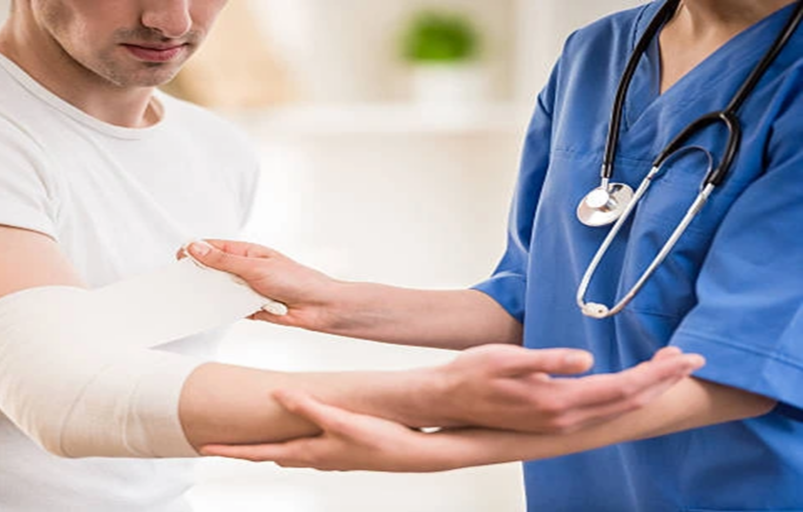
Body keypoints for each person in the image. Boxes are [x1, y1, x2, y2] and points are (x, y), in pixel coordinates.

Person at [0, 0, 704, 510]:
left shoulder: (214, 149)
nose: (171, 17)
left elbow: (121, 359)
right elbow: (67, 395)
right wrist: (429, 398)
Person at [191, 0, 803, 510]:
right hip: (579, 489)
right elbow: (535, 302)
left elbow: (745, 369)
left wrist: (447, 446)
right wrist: (335, 301)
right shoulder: (598, 53)